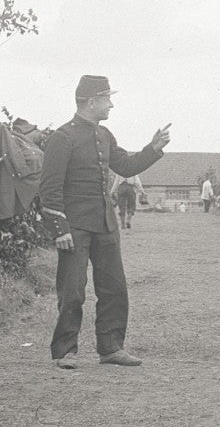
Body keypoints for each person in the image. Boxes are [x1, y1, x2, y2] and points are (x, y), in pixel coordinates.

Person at [40, 76, 171, 369]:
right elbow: (49, 188)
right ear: (91, 102)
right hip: (74, 226)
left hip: (106, 224)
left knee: (114, 288)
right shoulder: (62, 137)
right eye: (107, 99)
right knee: (73, 291)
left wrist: (152, 148)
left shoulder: (105, 135)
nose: (111, 104)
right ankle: (65, 351)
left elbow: (125, 166)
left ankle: (111, 348)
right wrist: (59, 229)